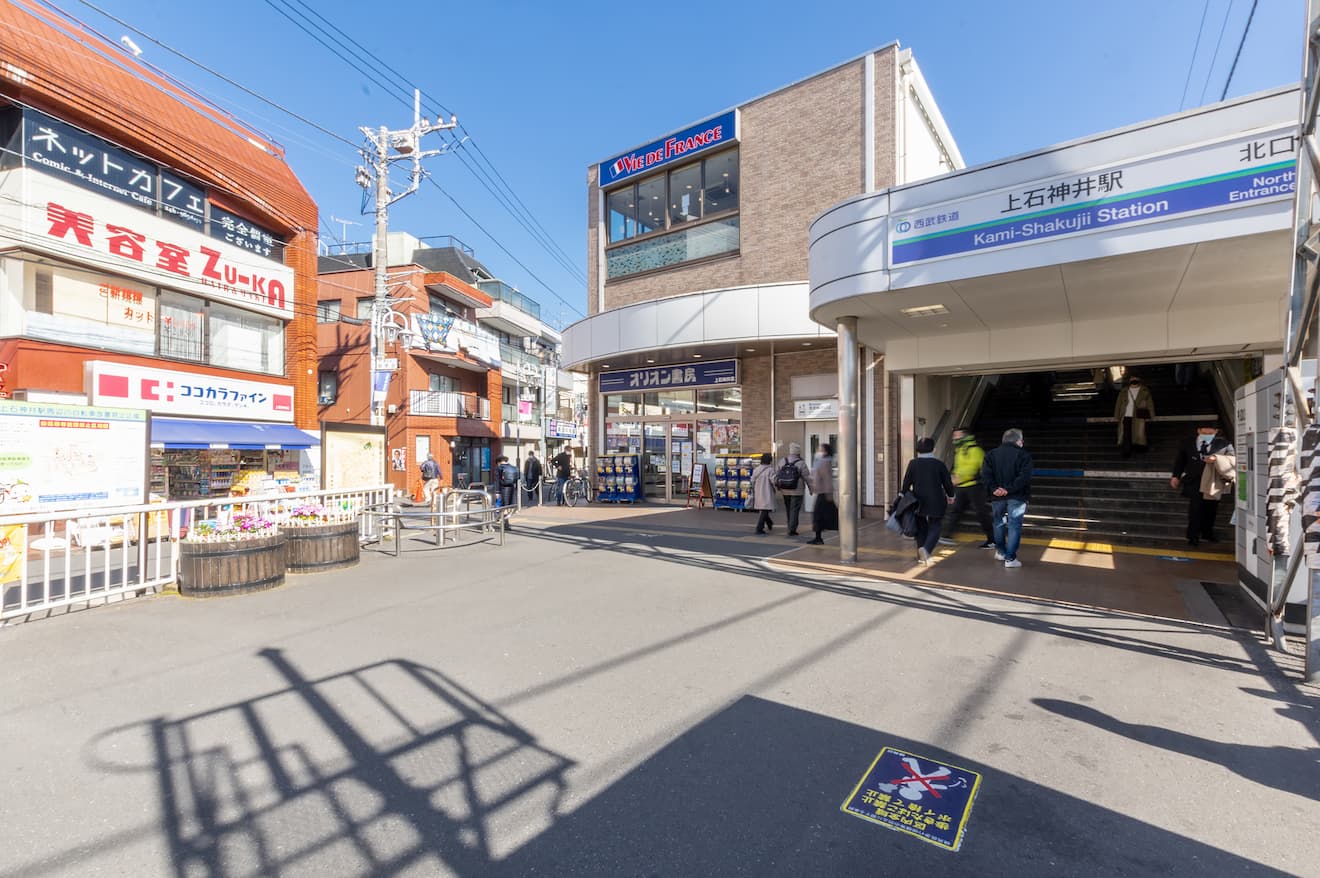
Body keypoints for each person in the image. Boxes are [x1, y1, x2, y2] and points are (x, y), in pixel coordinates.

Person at [1171, 422, 1236, 547]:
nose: (1207, 435)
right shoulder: (1187, 443)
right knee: (1195, 509)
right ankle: (1193, 536)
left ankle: (1207, 533)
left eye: (1210, 433)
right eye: (1204, 433)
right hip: (1194, 481)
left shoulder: (1224, 444)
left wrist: (1217, 458)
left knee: (1211, 509)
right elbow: (1180, 461)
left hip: (1213, 482)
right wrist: (1176, 476)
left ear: (1216, 432)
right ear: (1198, 431)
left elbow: (1233, 459)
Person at [981, 427, 1033, 568]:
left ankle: (1001, 552)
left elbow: (985, 475)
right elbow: (1024, 477)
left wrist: (994, 489)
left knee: (998, 522)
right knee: (1014, 525)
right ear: (1018, 441)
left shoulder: (991, 454)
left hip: (997, 496)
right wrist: (1009, 489)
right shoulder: (1024, 455)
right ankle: (1010, 559)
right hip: (1017, 495)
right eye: (1022, 440)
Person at [901, 437, 955, 565]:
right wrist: (951, 495)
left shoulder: (913, 463)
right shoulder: (939, 464)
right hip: (936, 500)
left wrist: (902, 495)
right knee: (935, 525)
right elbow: (947, 483)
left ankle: (920, 556)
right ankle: (926, 549)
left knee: (921, 527)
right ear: (934, 449)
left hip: (918, 500)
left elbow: (906, 482)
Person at [946, 428, 996, 549]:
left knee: (981, 513)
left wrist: (961, 478)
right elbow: (958, 468)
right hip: (961, 487)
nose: (954, 440)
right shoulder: (959, 450)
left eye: (957, 437)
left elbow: (980, 469)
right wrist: (953, 476)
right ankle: (946, 535)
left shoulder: (977, 451)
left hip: (974, 487)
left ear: (966, 437)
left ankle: (992, 539)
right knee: (955, 511)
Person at [776, 442, 813, 536]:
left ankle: (790, 526)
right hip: (797, 491)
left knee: (788, 509)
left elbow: (776, 475)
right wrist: (811, 489)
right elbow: (807, 477)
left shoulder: (782, 461)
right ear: (798, 453)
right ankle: (792, 529)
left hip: (785, 490)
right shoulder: (801, 463)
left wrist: (778, 486)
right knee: (794, 510)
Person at [1114, 375, 1154, 459]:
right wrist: (1117, 415)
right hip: (1126, 414)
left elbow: (1150, 403)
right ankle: (1126, 451)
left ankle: (1139, 449)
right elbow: (1118, 403)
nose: (1134, 380)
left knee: (1139, 433)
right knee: (1126, 434)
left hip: (1138, 415)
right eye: (1132, 378)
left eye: (1136, 378)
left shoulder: (1144, 390)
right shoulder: (1124, 390)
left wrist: (1151, 415)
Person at [808, 443, 836, 545]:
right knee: (821, 515)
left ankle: (818, 537)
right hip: (822, 492)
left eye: (820, 449)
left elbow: (827, 478)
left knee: (818, 515)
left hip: (824, 492)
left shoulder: (824, 462)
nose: (818, 451)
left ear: (826, 451)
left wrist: (829, 493)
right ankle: (818, 537)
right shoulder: (821, 462)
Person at [750, 452, 777, 535]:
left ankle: (769, 522)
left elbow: (752, 481)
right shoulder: (770, 470)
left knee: (764, 508)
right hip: (767, 492)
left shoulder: (756, 469)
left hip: (758, 491)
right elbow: (774, 481)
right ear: (770, 461)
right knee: (765, 509)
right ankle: (759, 528)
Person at [495, 455, 519, 527]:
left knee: (501, 506)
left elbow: (497, 480)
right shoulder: (513, 467)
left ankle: (503, 522)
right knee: (507, 506)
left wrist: (497, 492)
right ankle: (506, 523)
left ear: (499, 462)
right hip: (511, 489)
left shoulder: (499, 468)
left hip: (503, 489)